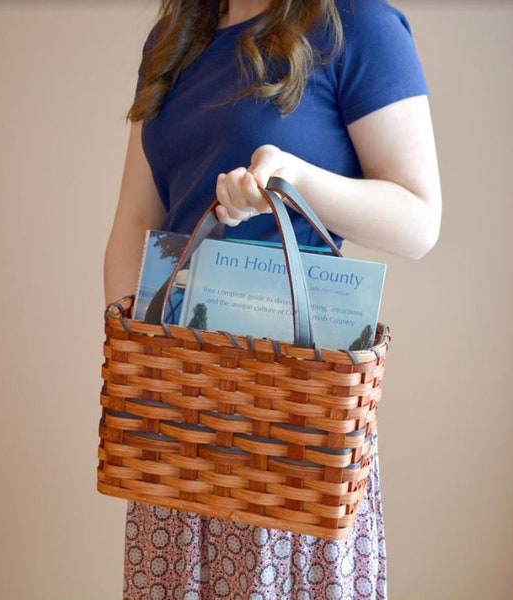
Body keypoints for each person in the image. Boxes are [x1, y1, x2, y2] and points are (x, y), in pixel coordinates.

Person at [104, 0, 441, 597]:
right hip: (181, 408)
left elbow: (418, 220)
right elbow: (136, 221)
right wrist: (143, 366)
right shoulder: (174, 39)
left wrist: (294, 178)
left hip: (290, 428)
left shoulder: (356, 23)